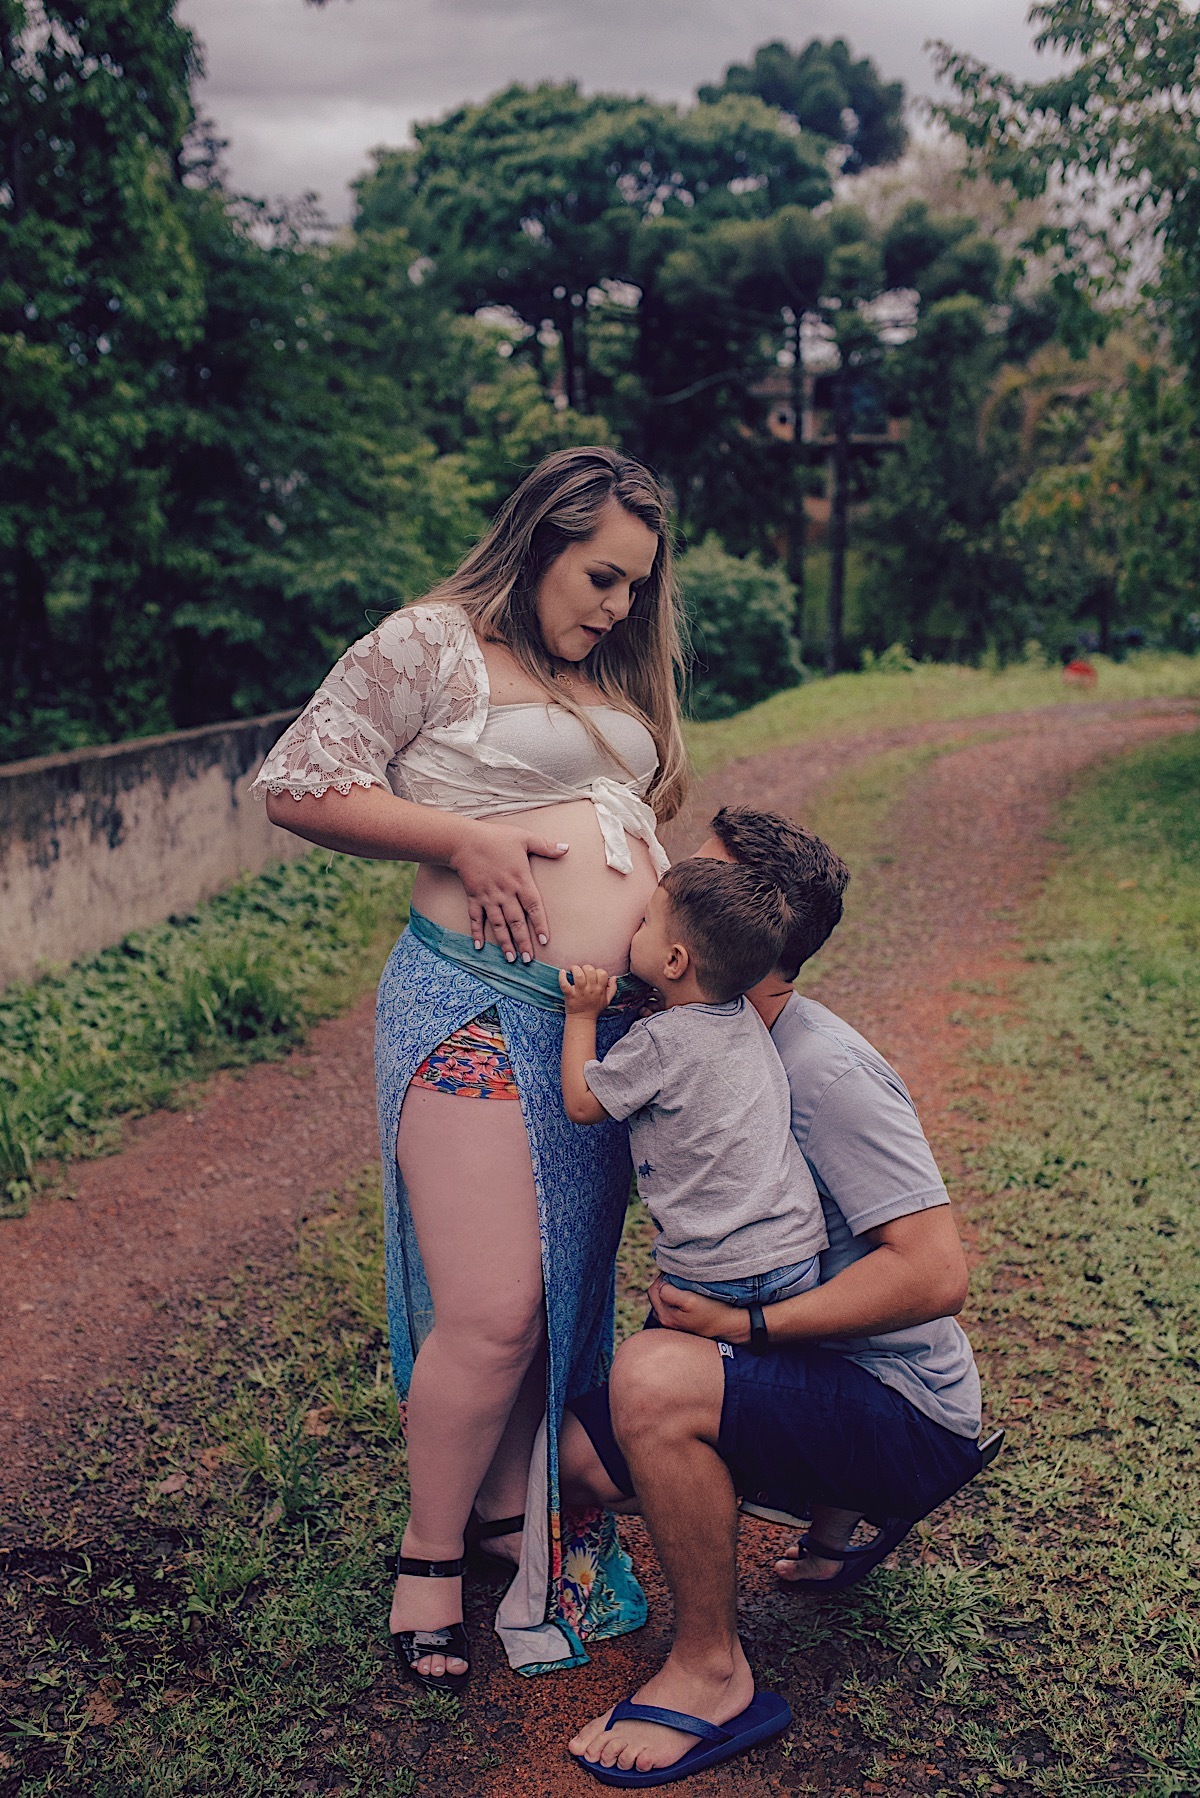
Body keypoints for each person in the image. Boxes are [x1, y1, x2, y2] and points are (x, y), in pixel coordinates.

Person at [251, 447, 689, 1692]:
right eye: (601, 575)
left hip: (598, 1033)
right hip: (478, 1011)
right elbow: (296, 782)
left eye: (634, 588)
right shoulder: (433, 643)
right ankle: (427, 1556)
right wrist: (461, 833)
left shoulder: (600, 675)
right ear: (541, 539)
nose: (617, 605)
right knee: (492, 1306)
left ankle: (513, 1518)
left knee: (557, 1298)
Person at [559, 807, 992, 1785]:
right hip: (805, 1369)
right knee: (575, 1466)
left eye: (696, 881)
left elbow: (935, 1274)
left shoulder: (823, 1068)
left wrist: (748, 1324)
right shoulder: (692, 1035)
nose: (662, 886)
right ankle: (827, 1515)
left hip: (909, 1416)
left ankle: (713, 1671)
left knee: (654, 1380)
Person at [557, 858, 827, 1313]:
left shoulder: (659, 1041)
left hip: (719, 1271)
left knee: (668, 1329)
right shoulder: (741, 1012)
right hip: (798, 1258)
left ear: (674, 960)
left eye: (644, 922)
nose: (633, 931)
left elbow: (583, 1105)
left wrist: (581, 1015)